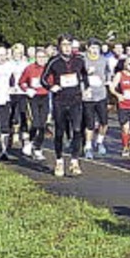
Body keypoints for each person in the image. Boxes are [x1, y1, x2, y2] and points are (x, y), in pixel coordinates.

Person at [40, 34, 89, 177]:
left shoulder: (79, 60)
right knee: (60, 132)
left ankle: (74, 161)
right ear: (59, 47)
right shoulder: (54, 61)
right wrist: (51, 87)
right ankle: (59, 161)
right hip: (60, 101)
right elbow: (43, 78)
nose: (67, 48)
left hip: (75, 100)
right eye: (64, 45)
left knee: (77, 129)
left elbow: (84, 75)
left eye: (69, 45)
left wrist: (86, 88)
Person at [81, 40, 110, 157]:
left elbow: (108, 73)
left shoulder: (103, 60)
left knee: (104, 122)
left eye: (96, 48)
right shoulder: (83, 60)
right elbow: (78, 75)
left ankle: (99, 142)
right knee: (90, 124)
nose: (94, 50)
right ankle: (88, 146)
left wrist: (107, 81)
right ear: (87, 48)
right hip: (88, 96)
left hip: (101, 95)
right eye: (92, 48)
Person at [0, 45, 17, 160]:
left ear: (6, 55)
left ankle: (4, 151)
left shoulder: (10, 66)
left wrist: (12, 87)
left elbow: (12, 80)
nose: (1, 57)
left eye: (3, 55)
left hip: (4, 99)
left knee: (4, 125)